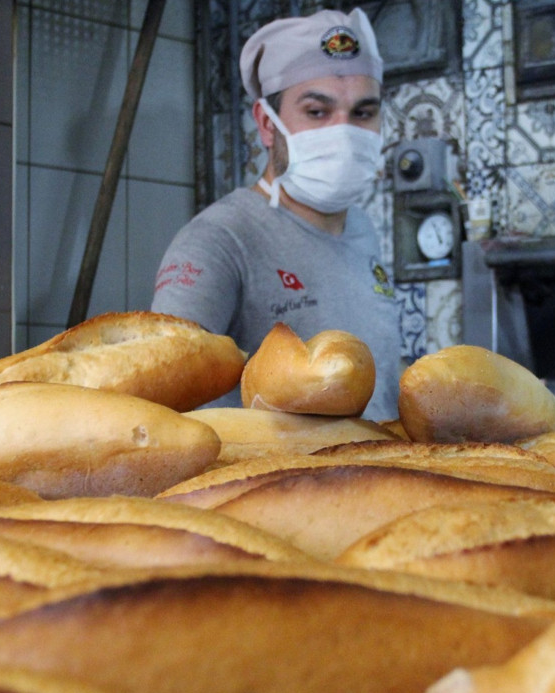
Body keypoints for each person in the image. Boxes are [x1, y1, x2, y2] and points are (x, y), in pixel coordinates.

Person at [151, 9, 400, 421]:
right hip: (265, 467)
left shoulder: (363, 229)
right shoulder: (219, 241)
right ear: (267, 124)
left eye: (362, 113)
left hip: (380, 462)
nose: (343, 132)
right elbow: (163, 395)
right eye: (317, 112)